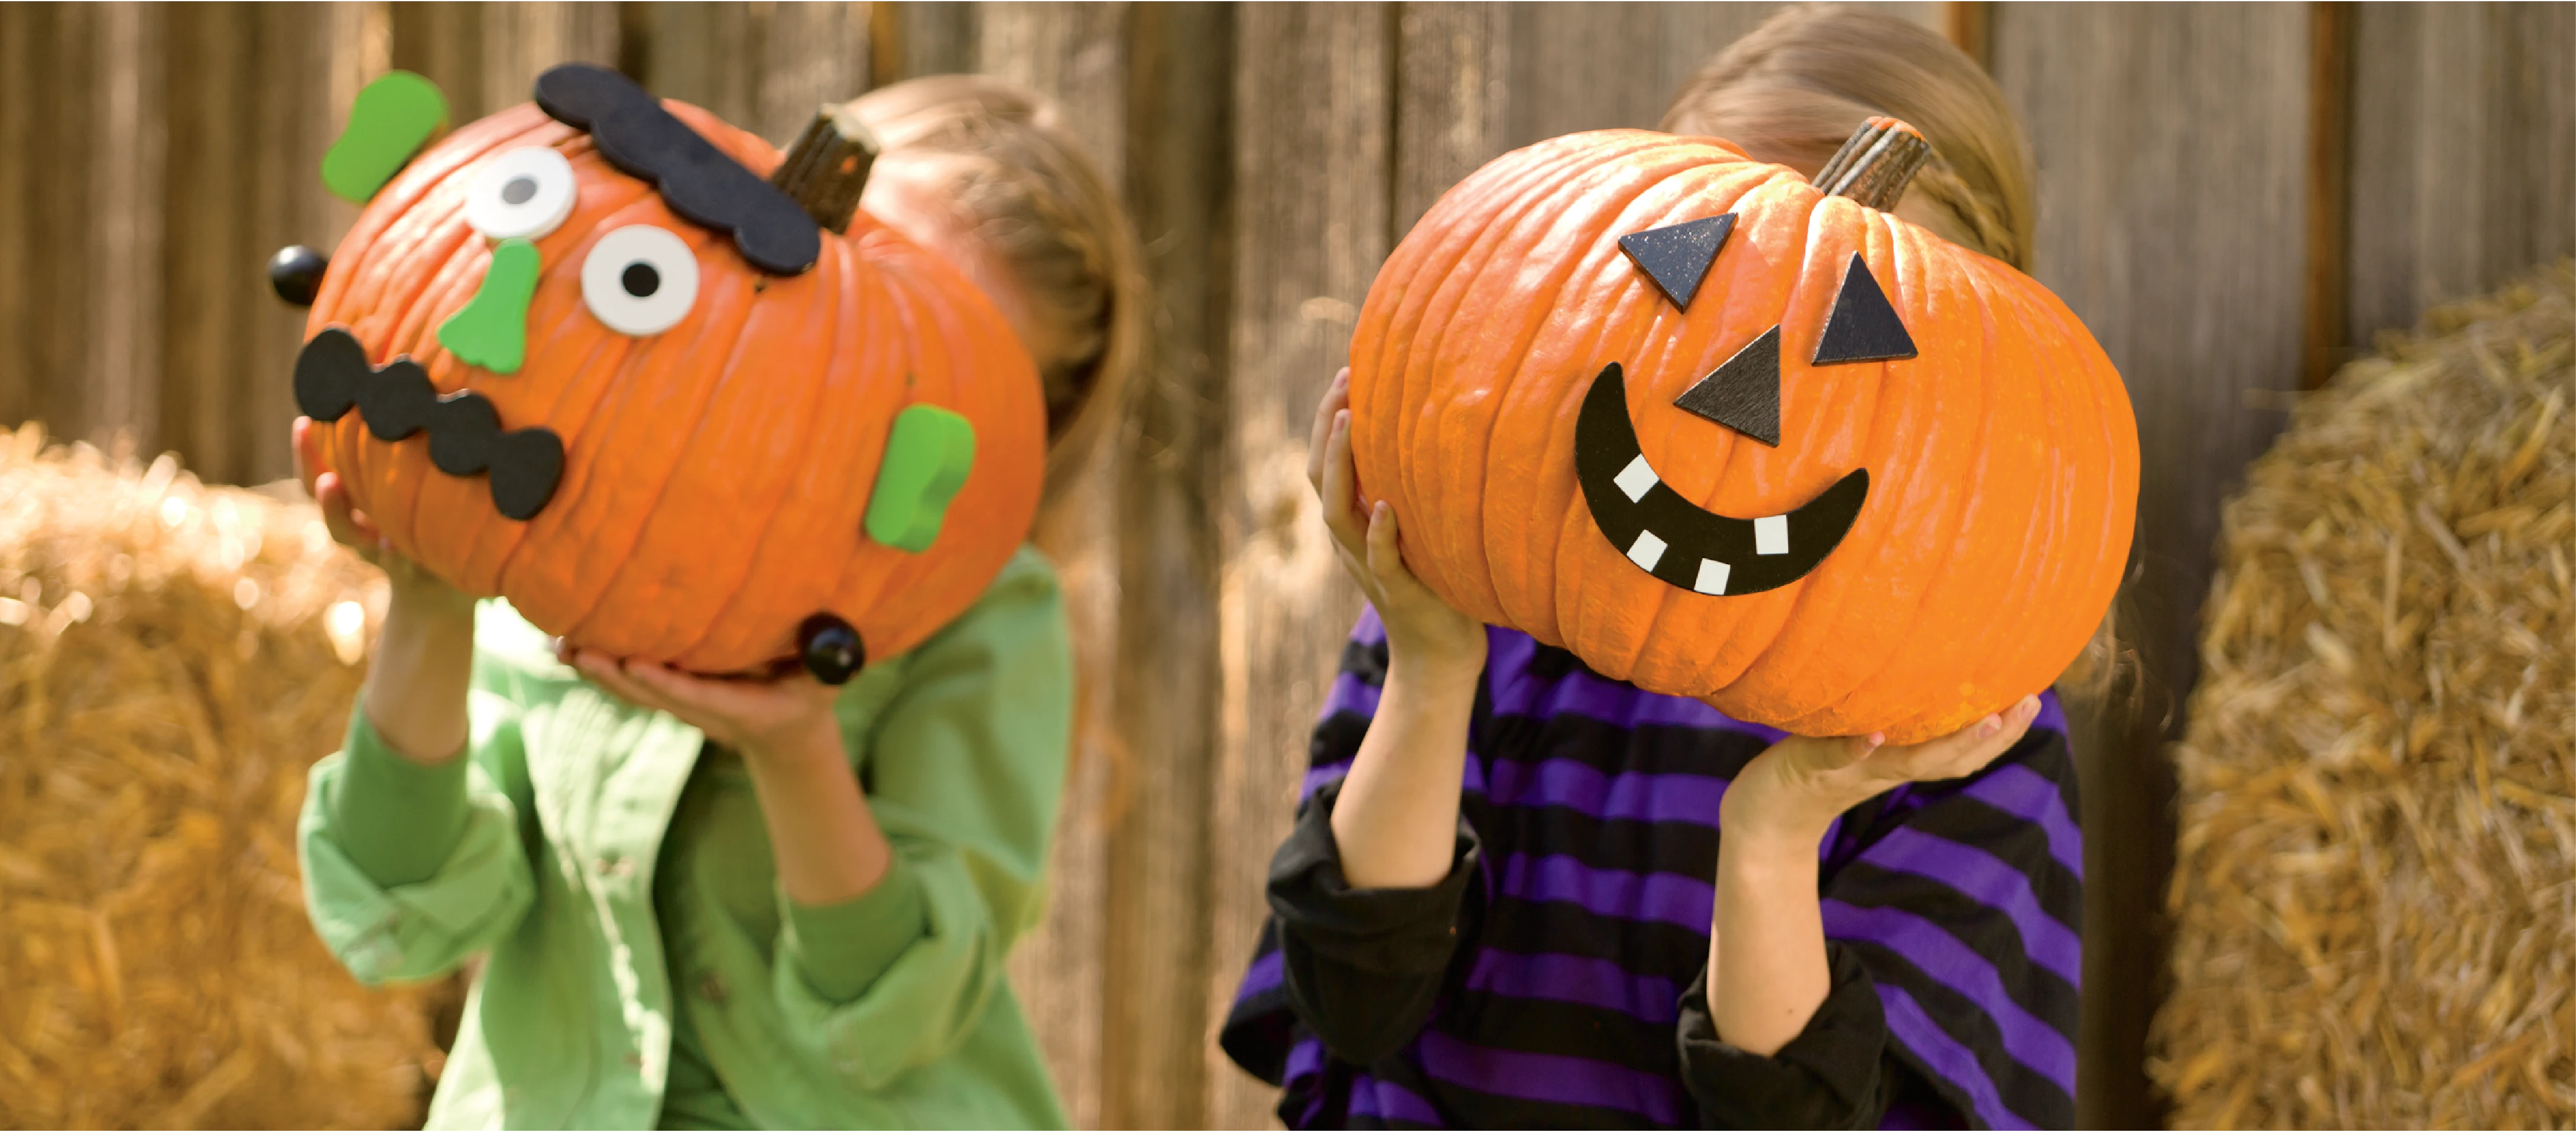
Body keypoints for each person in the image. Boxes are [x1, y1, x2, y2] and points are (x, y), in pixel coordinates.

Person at [1218, 7, 2085, 1131]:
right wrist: (1431, 671)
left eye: (1846, 326)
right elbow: (1350, 1003)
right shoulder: (1469, 600)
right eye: (1699, 273)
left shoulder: (1959, 727)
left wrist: (1772, 835)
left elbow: (1811, 1115)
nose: (1735, 396)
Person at [293, 75, 1143, 1131]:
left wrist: (798, 754)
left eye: (948, 360)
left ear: (1031, 424)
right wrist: (430, 605)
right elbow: (399, 913)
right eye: (874, 292)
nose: (884, 373)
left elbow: (897, 1013)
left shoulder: (987, 612)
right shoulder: (558, 529)